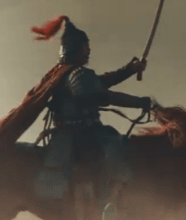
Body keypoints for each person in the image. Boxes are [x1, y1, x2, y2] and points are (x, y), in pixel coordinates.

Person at [28, 15, 152, 220]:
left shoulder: (67, 73)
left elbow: (100, 82)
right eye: (86, 47)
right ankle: (108, 203)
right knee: (115, 150)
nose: (89, 50)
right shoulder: (75, 74)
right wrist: (138, 102)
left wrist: (130, 70)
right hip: (80, 134)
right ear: (76, 49)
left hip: (77, 132)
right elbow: (102, 95)